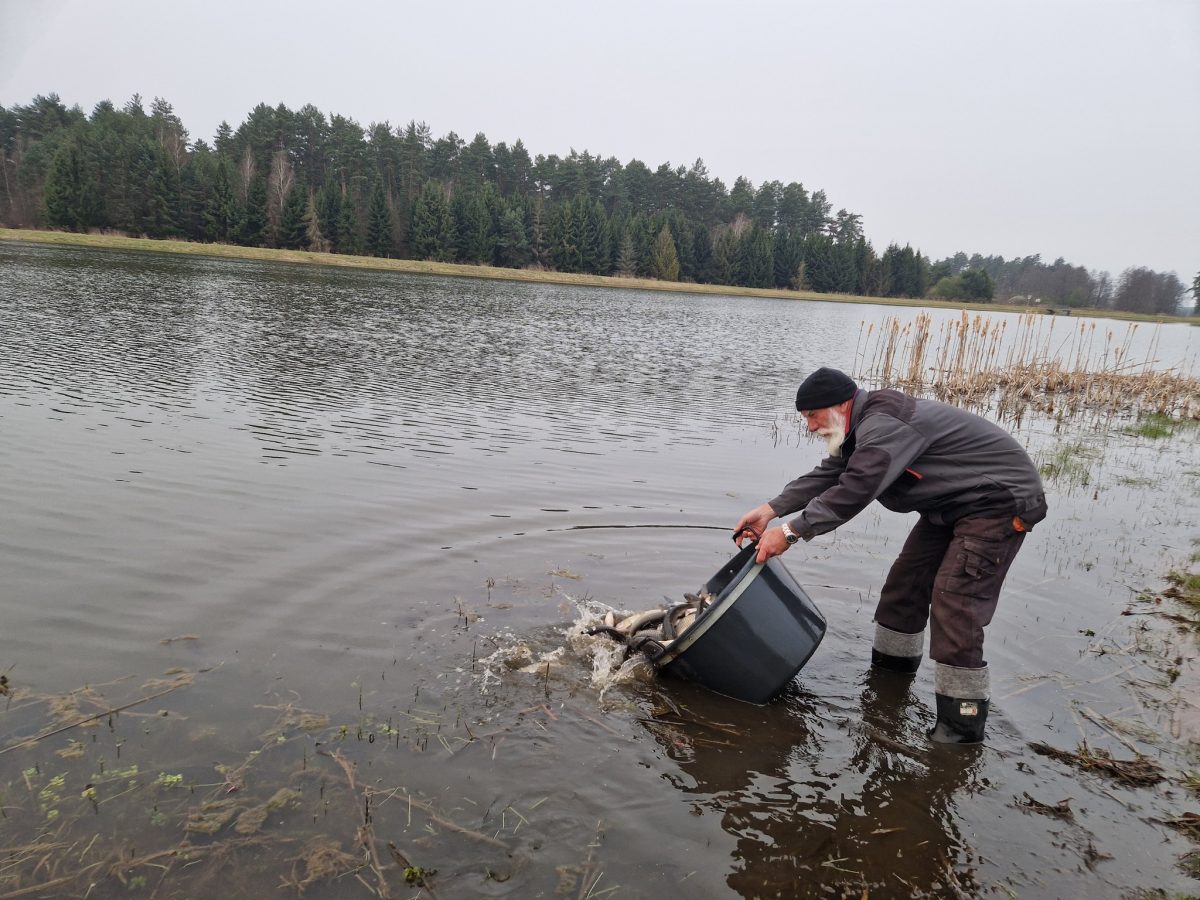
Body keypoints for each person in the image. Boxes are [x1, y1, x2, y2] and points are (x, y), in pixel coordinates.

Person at [733, 367, 1046, 744]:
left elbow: (855, 489)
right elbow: (830, 474)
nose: (811, 427)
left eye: (813, 416)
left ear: (841, 405)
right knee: (904, 587)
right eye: (806, 419)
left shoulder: (884, 425)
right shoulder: (859, 428)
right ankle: (888, 684)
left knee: (955, 602)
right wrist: (770, 509)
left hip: (996, 504)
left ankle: (961, 730)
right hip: (951, 506)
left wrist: (790, 532)